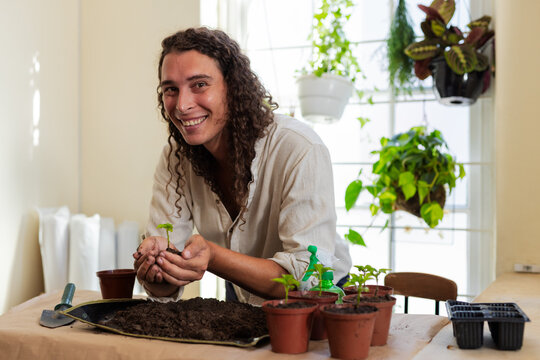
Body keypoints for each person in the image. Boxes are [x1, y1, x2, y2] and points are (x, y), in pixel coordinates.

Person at [133, 27, 351, 305]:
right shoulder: (176, 157)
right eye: (171, 90)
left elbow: (305, 277)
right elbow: (164, 290)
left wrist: (212, 255)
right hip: (242, 295)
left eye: (199, 84)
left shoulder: (299, 148)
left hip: (320, 299)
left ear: (233, 88)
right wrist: (157, 268)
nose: (182, 105)